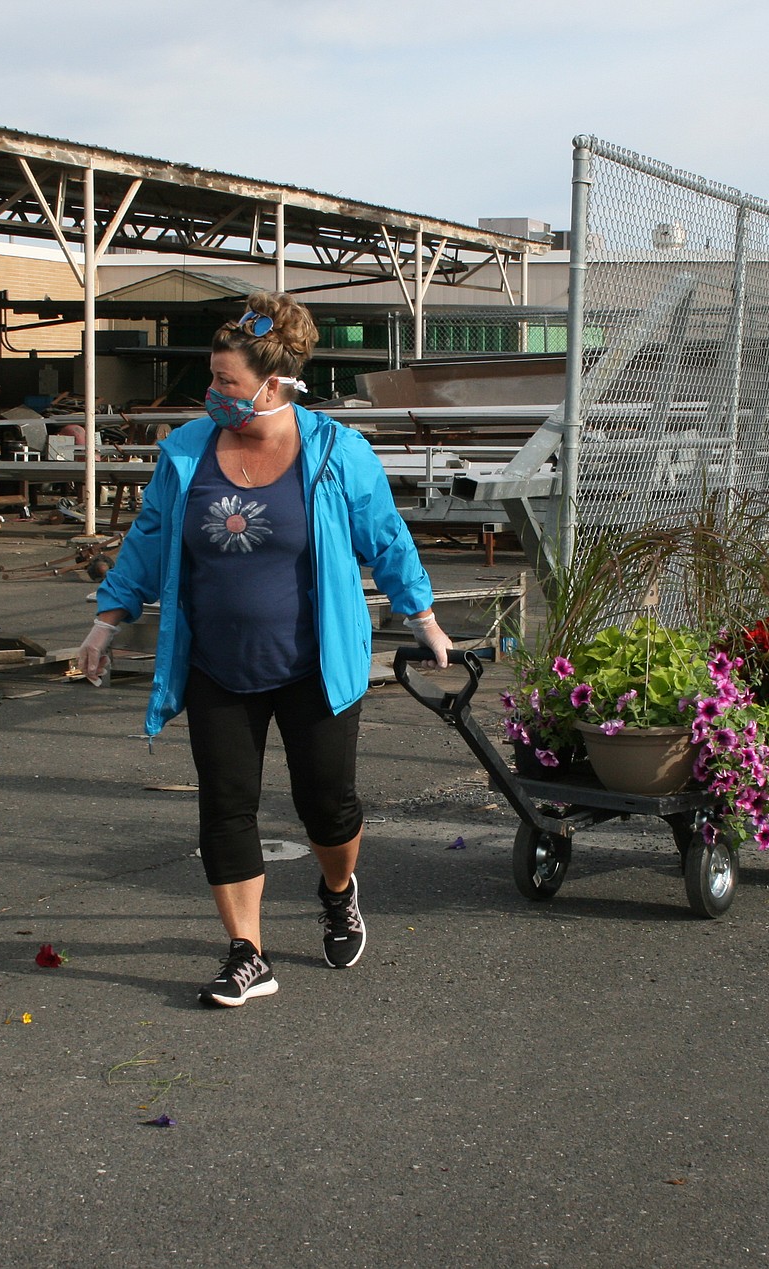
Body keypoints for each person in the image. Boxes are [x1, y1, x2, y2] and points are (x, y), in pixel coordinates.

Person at [76, 291, 451, 1007]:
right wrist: (108, 617)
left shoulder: (337, 451)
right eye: (213, 378)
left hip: (314, 664)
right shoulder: (187, 450)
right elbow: (151, 535)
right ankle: (247, 951)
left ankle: (338, 889)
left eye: (227, 382)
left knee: (329, 809)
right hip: (218, 663)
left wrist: (424, 615)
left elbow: (386, 536)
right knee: (224, 808)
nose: (213, 393)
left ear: (272, 385)